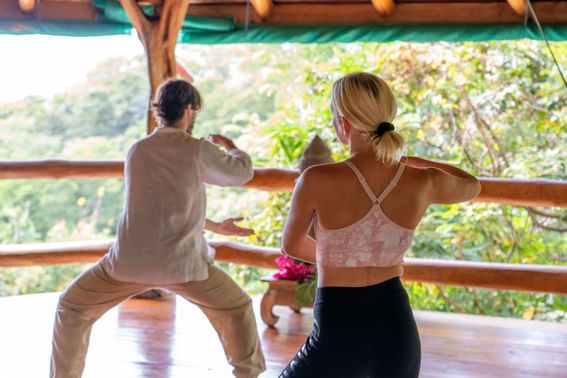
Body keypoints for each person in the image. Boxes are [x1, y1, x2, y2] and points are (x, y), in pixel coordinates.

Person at [50, 78, 266, 378]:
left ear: (159, 111)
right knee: (238, 307)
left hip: (128, 264)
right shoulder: (197, 149)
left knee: (71, 308)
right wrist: (232, 148)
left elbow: (159, 206)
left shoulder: (137, 150)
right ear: (189, 111)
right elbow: (240, 173)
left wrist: (215, 225)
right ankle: (248, 374)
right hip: (183, 266)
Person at [279, 72, 481, 378]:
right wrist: (415, 163)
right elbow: (472, 184)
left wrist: (340, 257)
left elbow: (291, 245)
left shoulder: (317, 179)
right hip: (396, 327)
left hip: (338, 326)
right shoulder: (423, 181)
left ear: (343, 123)